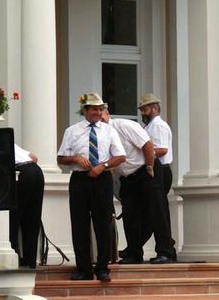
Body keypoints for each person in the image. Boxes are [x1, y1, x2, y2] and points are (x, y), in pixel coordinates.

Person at [57, 93, 125, 282]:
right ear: (85, 110)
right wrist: (75, 158)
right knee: (79, 224)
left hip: (102, 178)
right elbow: (61, 158)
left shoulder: (109, 130)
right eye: (94, 109)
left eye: (100, 109)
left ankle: (103, 268)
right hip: (80, 178)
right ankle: (83, 269)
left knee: (103, 224)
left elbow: (120, 156)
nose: (98, 112)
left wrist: (102, 166)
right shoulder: (72, 131)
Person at [101, 108, 175, 264]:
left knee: (157, 211)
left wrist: (149, 167)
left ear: (107, 114)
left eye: (101, 114)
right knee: (130, 214)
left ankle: (166, 252)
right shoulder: (100, 135)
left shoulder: (124, 125)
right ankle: (134, 253)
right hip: (127, 177)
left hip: (146, 170)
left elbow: (147, 145)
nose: (99, 120)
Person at [137, 94, 174, 236]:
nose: (142, 113)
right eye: (141, 110)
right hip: (153, 170)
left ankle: (165, 244)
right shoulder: (150, 126)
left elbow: (162, 149)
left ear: (155, 109)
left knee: (157, 210)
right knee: (151, 210)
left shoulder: (158, 126)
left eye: (145, 109)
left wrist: (142, 156)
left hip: (160, 171)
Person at [10, 144, 45, 269]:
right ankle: (30, 260)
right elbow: (34, 158)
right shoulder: (11, 142)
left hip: (20, 174)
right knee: (32, 219)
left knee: (13, 218)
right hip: (36, 171)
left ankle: (14, 258)